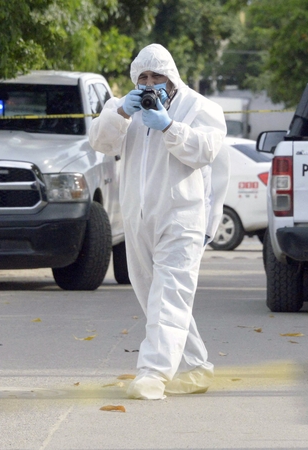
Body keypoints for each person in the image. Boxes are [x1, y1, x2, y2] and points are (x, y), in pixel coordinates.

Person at [89, 44, 227, 399]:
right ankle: (195, 368)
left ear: (172, 77)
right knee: (155, 296)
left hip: (182, 217)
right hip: (138, 218)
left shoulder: (200, 108)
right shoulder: (126, 107)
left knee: (169, 295)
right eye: (144, 77)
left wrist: (169, 127)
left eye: (157, 77)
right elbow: (99, 142)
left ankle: (153, 374)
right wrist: (121, 111)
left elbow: (206, 150)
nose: (150, 84)